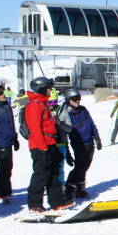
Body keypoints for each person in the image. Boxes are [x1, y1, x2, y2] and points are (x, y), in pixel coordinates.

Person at [24, 77, 73, 212]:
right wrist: (43, 147)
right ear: (42, 89)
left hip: (50, 143)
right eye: (48, 88)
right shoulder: (34, 105)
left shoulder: (43, 103)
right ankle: (34, 204)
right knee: (41, 175)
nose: (50, 90)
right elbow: (35, 129)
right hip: (40, 146)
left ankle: (57, 201)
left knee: (54, 173)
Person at [57, 88, 102, 199]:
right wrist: (67, 152)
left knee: (85, 166)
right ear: (68, 100)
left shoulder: (83, 110)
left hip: (89, 142)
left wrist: (97, 138)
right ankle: (70, 188)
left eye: (79, 98)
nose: (78, 101)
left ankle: (80, 188)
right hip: (78, 143)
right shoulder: (65, 113)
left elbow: (91, 124)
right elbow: (64, 134)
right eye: (75, 99)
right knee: (79, 167)